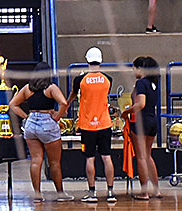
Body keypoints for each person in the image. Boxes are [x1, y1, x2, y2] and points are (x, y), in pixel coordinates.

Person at [8, 63, 72, 202]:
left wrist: (26, 117)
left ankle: (37, 194)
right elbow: (63, 103)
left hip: (31, 124)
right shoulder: (51, 88)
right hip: (47, 124)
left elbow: (12, 104)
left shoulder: (27, 88)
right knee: (54, 162)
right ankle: (60, 193)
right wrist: (57, 117)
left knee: (36, 160)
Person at [66, 46, 116, 204]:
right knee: (106, 157)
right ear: (101, 60)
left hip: (87, 125)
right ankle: (110, 192)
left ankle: (92, 193)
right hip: (105, 124)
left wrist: (64, 107)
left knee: (90, 159)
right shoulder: (108, 79)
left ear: (87, 60)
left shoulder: (80, 80)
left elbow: (72, 96)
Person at [120, 57, 162, 200]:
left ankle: (144, 192)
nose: (133, 71)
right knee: (148, 156)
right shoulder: (153, 83)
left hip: (141, 122)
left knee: (141, 157)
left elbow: (141, 104)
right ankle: (156, 190)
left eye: (135, 68)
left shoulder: (141, 83)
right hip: (153, 121)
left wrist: (126, 112)